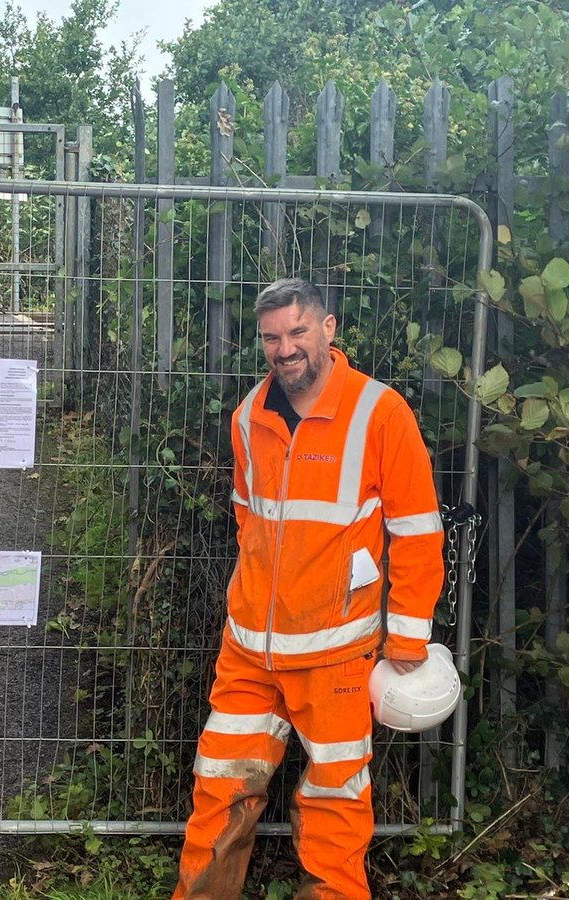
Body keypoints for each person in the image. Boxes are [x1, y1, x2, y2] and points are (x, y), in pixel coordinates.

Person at [173, 278, 444, 899]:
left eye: (297, 332)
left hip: (337, 653)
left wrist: (407, 633)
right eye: (272, 337)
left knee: (334, 799)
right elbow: (247, 516)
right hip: (249, 649)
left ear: (328, 328)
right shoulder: (249, 416)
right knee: (220, 786)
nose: (284, 348)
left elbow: (417, 529)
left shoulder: (380, 412)